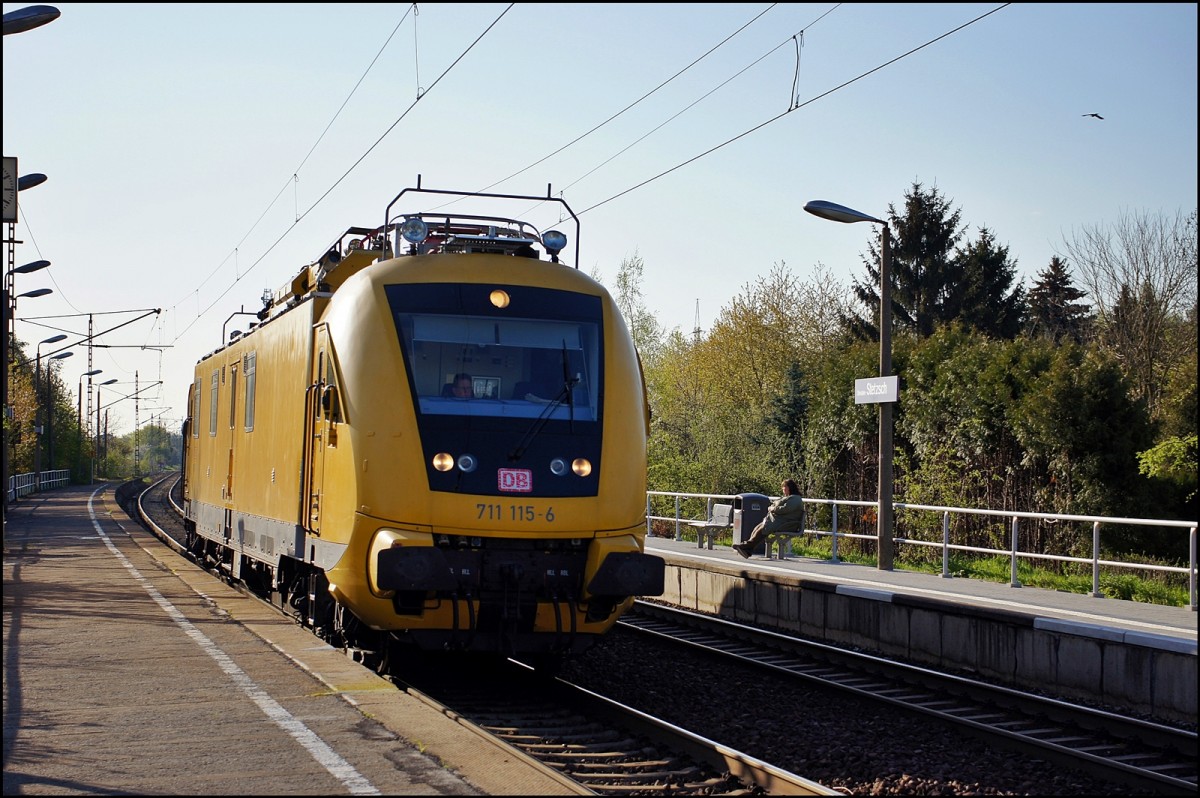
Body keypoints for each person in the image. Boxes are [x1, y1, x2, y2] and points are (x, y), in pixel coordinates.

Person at [733, 479, 805, 558]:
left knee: (763, 529)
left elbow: (785, 509)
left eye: (784, 487)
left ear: (789, 487)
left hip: (786, 524)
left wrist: (772, 509)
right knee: (758, 528)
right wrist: (772, 508)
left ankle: (746, 547)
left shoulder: (795, 499)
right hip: (779, 521)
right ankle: (747, 548)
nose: (783, 489)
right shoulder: (789, 498)